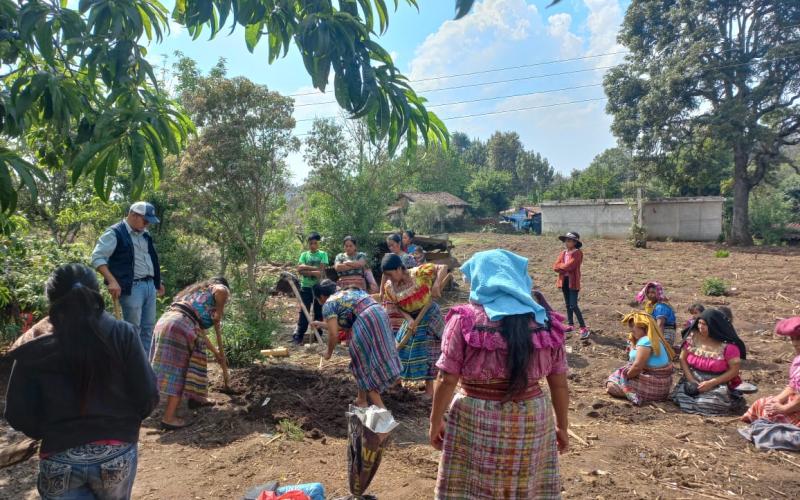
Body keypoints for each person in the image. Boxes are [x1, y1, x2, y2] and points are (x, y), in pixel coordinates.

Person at [5, 263, 158, 499]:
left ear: (51, 299)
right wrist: (123, 424)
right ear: (96, 294)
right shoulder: (123, 333)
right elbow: (148, 395)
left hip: (58, 456)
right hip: (117, 451)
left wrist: (51, 432)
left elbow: (17, 413)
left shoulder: (32, 345)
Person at [430, 249, 569, 499]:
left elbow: (447, 378)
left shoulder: (465, 319)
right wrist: (562, 426)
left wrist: (434, 422)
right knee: (525, 488)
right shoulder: (545, 321)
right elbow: (559, 383)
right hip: (532, 417)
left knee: (470, 488)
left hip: (475, 417)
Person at [150, 277, 230, 430]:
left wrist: (217, 354)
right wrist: (219, 312)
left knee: (163, 366)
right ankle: (169, 418)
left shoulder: (195, 296)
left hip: (167, 322)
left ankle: (196, 398)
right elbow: (221, 290)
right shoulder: (218, 289)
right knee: (178, 370)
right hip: (180, 326)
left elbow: (201, 334)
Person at [310, 280, 402, 408]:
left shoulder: (328, 304)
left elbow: (334, 335)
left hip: (365, 320)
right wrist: (320, 324)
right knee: (378, 356)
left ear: (321, 297)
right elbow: (343, 325)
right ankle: (361, 399)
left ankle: (384, 418)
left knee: (364, 364)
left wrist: (328, 353)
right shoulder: (349, 292)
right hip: (380, 314)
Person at [91, 201, 165, 355]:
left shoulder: (145, 234)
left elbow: (149, 258)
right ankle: (131, 366)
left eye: (148, 222)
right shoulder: (114, 232)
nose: (147, 225)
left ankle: (144, 367)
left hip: (149, 286)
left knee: (148, 328)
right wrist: (112, 280)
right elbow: (97, 257)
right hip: (132, 288)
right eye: (145, 221)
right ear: (133, 215)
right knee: (132, 329)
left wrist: (157, 281)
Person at [381, 254, 448, 397]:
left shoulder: (419, 273)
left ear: (399, 269)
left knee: (429, 352)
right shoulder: (390, 288)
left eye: (390, 274)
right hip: (412, 319)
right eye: (386, 276)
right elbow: (398, 306)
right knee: (401, 349)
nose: (389, 278)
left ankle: (430, 391)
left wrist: (436, 284)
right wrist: (408, 318)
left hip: (429, 315)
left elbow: (443, 267)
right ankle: (395, 382)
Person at [672, 309, 748, 415]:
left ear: (714, 326)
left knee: (709, 404)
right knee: (683, 396)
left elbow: (734, 371)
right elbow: (682, 359)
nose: (700, 327)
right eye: (699, 323)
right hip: (693, 379)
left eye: (704, 324)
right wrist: (690, 379)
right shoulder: (693, 338)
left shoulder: (728, 347)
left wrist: (711, 383)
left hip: (717, 382)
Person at [607, 312, 675, 405]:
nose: (631, 330)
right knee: (616, 378)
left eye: (632, 326)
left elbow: (637, 367)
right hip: (661, 387)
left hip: (653, 385)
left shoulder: (645, 341)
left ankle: (636, 395)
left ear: (644, 327)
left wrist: (624, 378)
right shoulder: (652, 339)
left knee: (612, 386)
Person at [742, 317, 800, 425]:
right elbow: (792, 386)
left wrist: (784, 409)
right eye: (793, 339)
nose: (795, 343)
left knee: (777, 420)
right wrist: (777, 400)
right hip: (794, 401)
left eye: (799, 339)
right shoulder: (798, 360)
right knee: (763, 404)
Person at [292, 232, 329, 345]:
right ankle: (299, 336)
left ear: (318, 244)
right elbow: (299, 269)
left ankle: (318, 336)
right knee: (304, 311)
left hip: (318, 287)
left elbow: (321, 272)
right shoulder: (304, 255)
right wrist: (314, 269)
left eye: (315, 243)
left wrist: (306, 271)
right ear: (308, 244)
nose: (313, 245)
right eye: (311, 243)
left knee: (318, 312)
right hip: (306, 287)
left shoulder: (323, 254)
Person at [553, 231, 589, 339]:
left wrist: (561, 267)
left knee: (573, 305)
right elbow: (555, 266)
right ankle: (570, 325)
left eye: (569, 241)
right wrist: (561, 267)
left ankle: (583, 328)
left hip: (573, 282)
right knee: (568, 304)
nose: (566, 243)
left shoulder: (578, 253)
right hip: (564, 281)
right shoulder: (563, 253)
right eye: (566, 241)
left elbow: (571, 266)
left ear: (574, 242)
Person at [636, 281, 678, 350]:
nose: (650, 295)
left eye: (653, 293)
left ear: (658, 293)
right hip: (655, 331)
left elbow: (660, 325)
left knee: (652, 350)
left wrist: (658, 342)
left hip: (665, 333)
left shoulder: (660, 307)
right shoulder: (649, 305)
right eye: (648, 292)